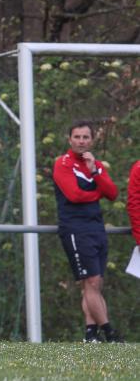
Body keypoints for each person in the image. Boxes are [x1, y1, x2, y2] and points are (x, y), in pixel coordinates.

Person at [52, 121, 122, 343]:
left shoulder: (96, 164)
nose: (81, 141)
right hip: (75, 228)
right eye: (77, 137)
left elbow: (112, 193)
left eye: (85, 137)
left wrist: (94, 172)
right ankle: (109, 332)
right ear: (69, 139)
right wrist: (97, 193)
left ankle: (91, 333)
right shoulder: (62, 164)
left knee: (94, 284)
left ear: (92, 140)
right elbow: (75, 195)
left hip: (96, 227)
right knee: (91, 282)